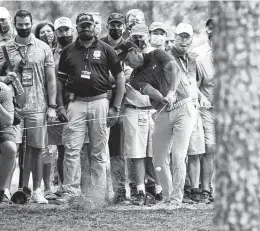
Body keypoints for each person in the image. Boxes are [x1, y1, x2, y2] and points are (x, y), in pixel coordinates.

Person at [118, 26, 195, 209]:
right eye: (124, 62)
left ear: (135, 51)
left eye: (127, 59)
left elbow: (174, 70)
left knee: (177, 155)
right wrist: (162, 98)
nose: (127, 64)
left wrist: (171, 92)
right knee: (158, 159)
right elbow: (150, 91)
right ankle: (167, 198)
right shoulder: (135, 77)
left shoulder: (158, 54)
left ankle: (176, 199)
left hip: (183, 108)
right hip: (162, 113)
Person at [55, 13, 125, 204]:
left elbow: (120, 78)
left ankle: (99, 193)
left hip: (100, 102)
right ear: (76, 27)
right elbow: (60, 81)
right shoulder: (68, 51)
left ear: (94, 27)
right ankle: (71, 191)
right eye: (82, 25)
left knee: (99, 150)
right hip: (75, 103)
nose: (86, 28)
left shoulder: (107, 49)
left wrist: (115, 107)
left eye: (89, 25)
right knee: (71, 148)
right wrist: (60, 105)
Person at [0, 10, 57, 204]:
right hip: (12, 106)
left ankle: (37, 190)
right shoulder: (5, 48)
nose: (24, 28)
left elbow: (51, 79)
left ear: (32, 23)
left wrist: (52, 106)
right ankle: (5, 190)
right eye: (20, 24)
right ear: (14, 24)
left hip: (38, 105)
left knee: (36, 149)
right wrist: (4, 79)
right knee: (11, 148)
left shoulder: (43, 47)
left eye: (27, 24)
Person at [122, 25, 163, 205]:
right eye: (135, 36)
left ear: (147, 36)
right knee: (136, 152)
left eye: (142, 35)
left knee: (156, 152)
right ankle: (139, 189)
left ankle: (159, 189)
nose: (139, 39)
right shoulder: (125, 59)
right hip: (133, 109)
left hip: (154, 110)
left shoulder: (155, 57)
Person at [100, 12, 129, 204]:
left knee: (118, 150)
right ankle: (100, 192)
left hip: (122, 102)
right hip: (101, 99)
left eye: (119, 25)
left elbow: (130, 75)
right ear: (107, 25)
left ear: (124, 27)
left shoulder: (130, 47)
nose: (116, 28)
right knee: (100, 149)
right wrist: (115, 78)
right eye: (113, 24)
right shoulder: (99, 45)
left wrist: (117, 78)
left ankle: (119, 192)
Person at [196, 18, 215, 203]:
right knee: (209, 148)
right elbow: (194, 86)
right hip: (208, 111)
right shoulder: (202, 61)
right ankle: (205, 189)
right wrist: (201, 97)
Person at [0, 6, 17, 203]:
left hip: (10, 96)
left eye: (3, 19)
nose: (1, 22)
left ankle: (4, 189)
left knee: (13, 145)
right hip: (4, 86)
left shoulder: (15, 41)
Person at [0, 82, 16, 204]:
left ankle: (1, 191)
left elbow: (9, 120)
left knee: (10, 149)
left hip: (2, 127)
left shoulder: (3, 89)